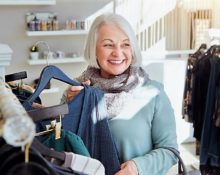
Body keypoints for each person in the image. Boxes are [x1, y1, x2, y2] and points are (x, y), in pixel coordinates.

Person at [62, 13, 178, 175]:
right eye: (108, 45)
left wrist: (138, 167)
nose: (118, 53)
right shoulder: (76, 92)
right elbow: (62, 145)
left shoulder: (153, 93)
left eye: (125, 45)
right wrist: (69, 108)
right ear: (93, 49)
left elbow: (170, 151)